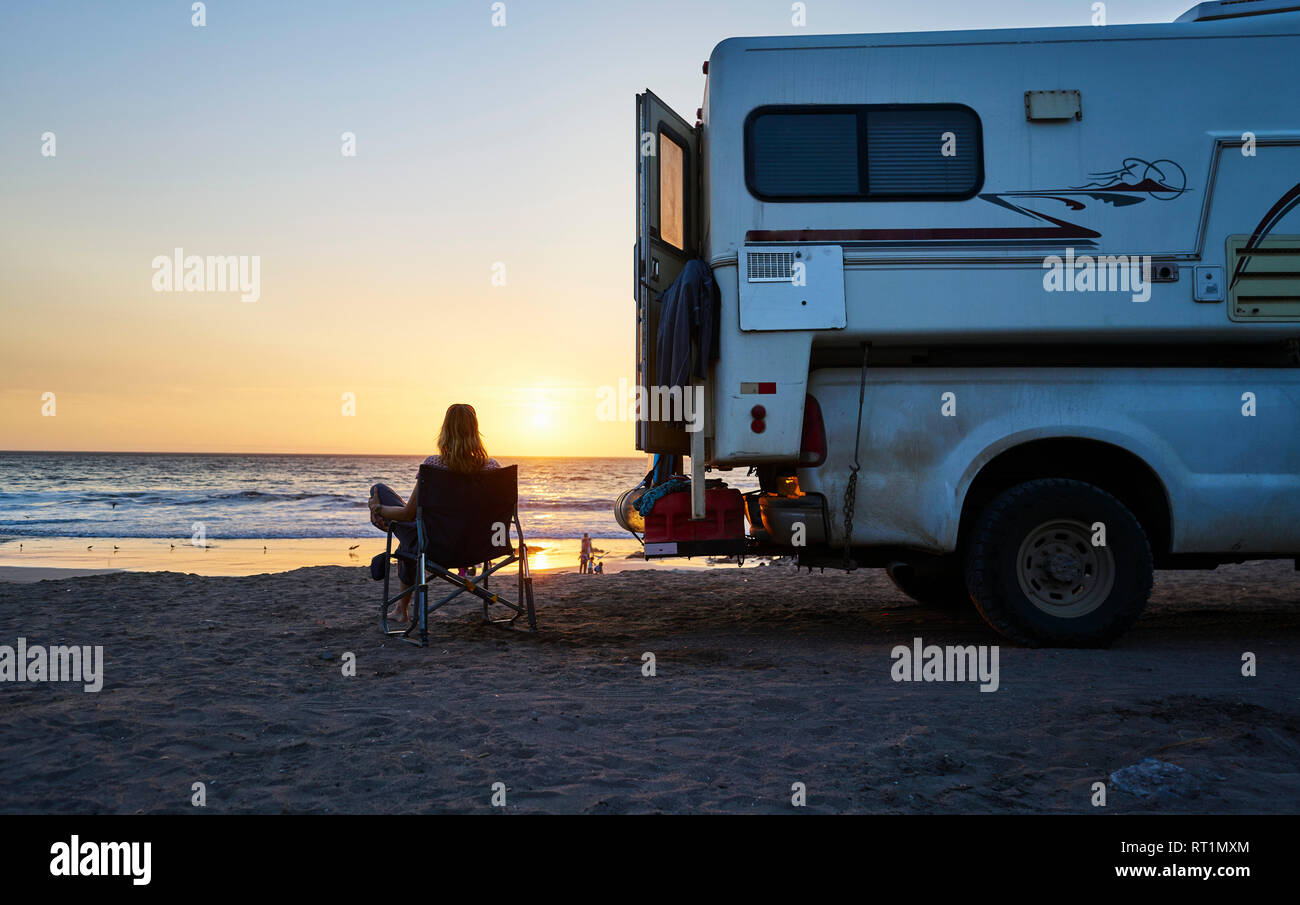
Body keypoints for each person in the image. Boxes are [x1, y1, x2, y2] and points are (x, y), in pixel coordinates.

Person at [368, 404, 500, 624]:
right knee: (412, 536)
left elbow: (408, 514)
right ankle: (402, 605)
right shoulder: (493, 469)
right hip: (482, 547)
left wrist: (378, 509)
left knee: (380, 492)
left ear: (445, 430)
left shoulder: (434, 466)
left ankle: (402, 609)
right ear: (476, 431)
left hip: (435, 547)